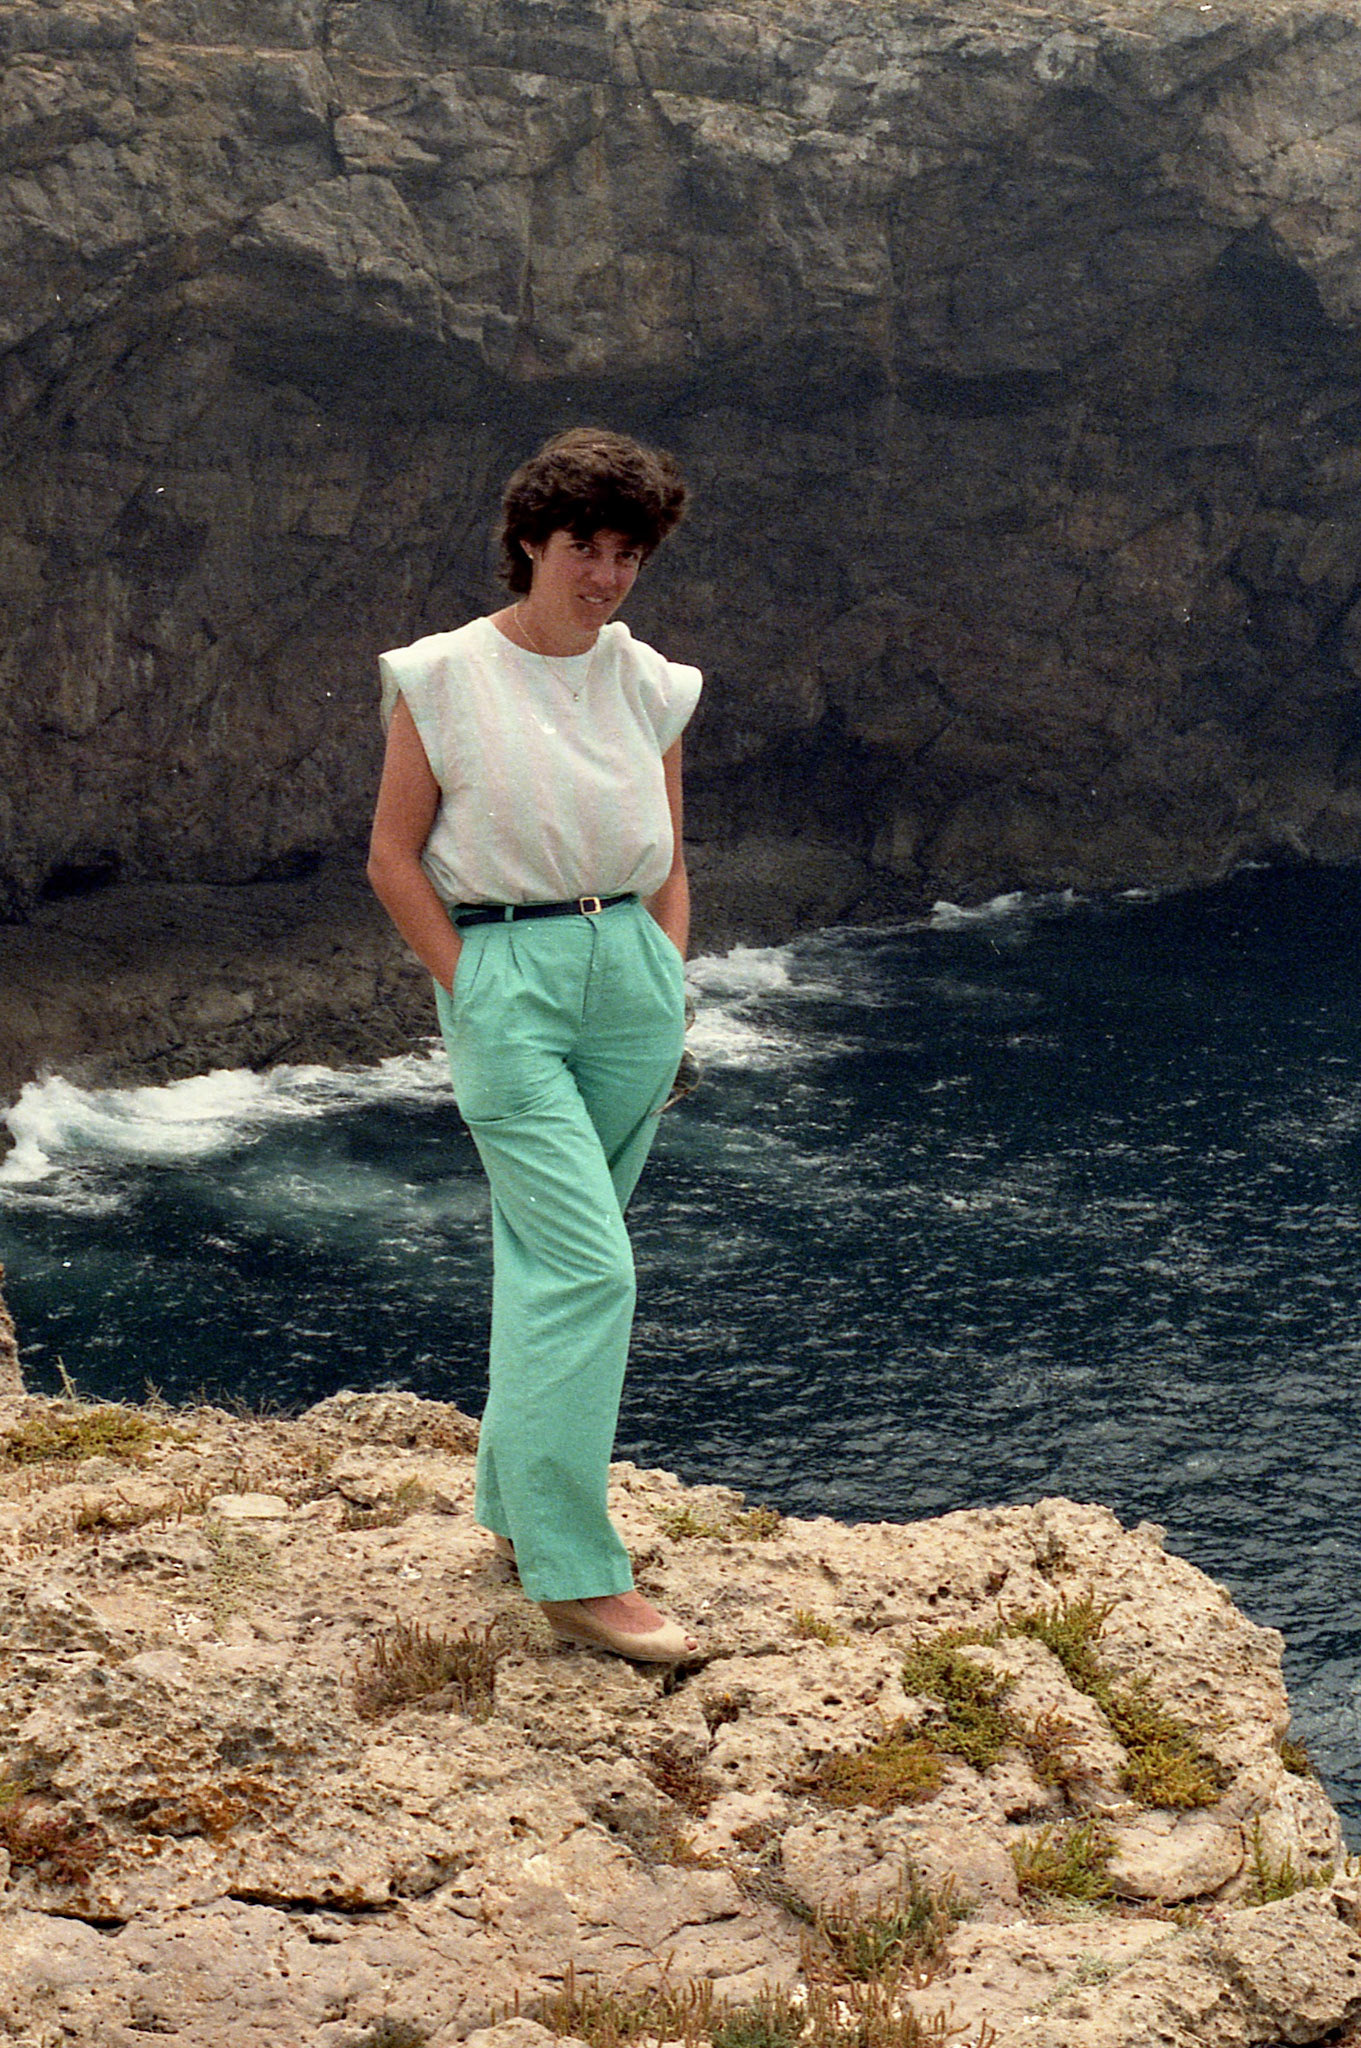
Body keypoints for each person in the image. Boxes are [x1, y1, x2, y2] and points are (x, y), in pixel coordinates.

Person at [367, 427, 702, 1664]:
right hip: (507, 973)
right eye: (582, 548)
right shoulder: (442, 675)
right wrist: (475, 991)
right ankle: (574, 1569)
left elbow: (669, 854)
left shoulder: (650, 682)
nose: (603, 576)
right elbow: (392, 858)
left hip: (630, 982)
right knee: (590, 1270)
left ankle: (514, 1505)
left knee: (547, 1262)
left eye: (626, 555)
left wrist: (666, 978)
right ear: (528, 542)